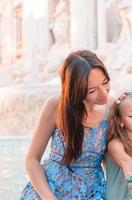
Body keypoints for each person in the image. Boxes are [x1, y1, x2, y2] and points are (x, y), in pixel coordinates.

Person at [20, 50, 111, 199]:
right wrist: (49, 197)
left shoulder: (112, 107)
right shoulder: (56, 106)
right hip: (49, 189)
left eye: (105, 82)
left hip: (91, 193)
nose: (104, 93)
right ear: (76, 90)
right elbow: (31, 159)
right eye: (92, 90)